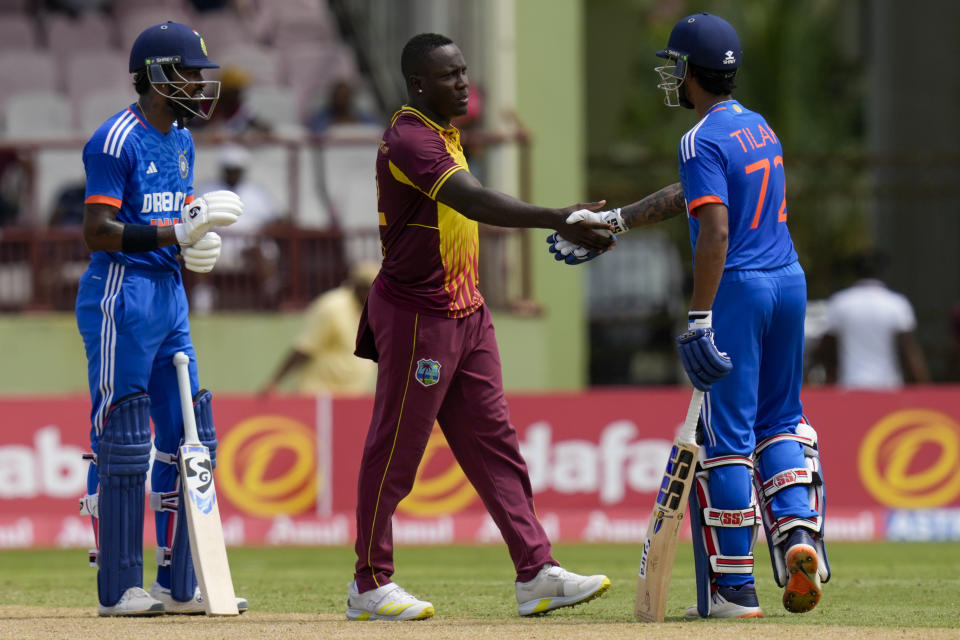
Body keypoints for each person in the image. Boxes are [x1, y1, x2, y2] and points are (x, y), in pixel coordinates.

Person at [551, 13, 831, 619]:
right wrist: (616, 221)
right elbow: (695, 197)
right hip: (790, 283)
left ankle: (734, 590)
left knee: (725, 439)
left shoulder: (697, 138)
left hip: (739, 289)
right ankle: (799, 537)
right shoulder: (759, 127)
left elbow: (716, 228)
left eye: (673, 66)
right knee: (781, 420)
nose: (669, 77)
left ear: (691, 72)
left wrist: (700, 316)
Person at [346, 32, 614, 622]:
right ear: (419, 82)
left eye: (464, 71)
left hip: (466, 312)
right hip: (421, 315)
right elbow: (472, 201)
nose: (464, 83)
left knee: (496, 447)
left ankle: (536, 574)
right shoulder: (411, 138)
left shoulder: (442, 131)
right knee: (396, 450)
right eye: (449, 75)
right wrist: (557, 218)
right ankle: (369, 583)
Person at [74, 21, 248, 616]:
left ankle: (181, 585)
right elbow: (98, 233)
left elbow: (178, 219)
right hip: (120, 296)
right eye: (189, 72)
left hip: (168, 293)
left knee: (189, 430)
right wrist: (175, 231)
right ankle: (119, 587)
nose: (201, 84)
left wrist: (191, 246)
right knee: (123, 436)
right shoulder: (114, 139)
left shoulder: (181, 140)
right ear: (155, 75)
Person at [260, 261, 379, 395]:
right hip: (320, 396)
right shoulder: (333, 307)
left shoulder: (371, 310)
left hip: (351, 398)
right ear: (359, 287)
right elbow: (305, 348)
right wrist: (274, 382)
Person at [816, 251, 930, 388]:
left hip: (849, 386)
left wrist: (829, 380)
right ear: (881, 272)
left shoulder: (840, 303)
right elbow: (908, 352)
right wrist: (925, 388)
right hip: (888, 387)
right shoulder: (897, 304)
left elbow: (826, 350)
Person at [196, 143, 283, 309]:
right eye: (229, 168)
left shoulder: (257, 192)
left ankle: (270, 296)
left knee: (265, 251)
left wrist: (259, 237)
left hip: (249, 245)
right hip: (217, 244)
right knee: (199, 248)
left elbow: (273, 220)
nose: (233, 173)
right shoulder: (206, 189)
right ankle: (203, 296)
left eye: (236, 168)